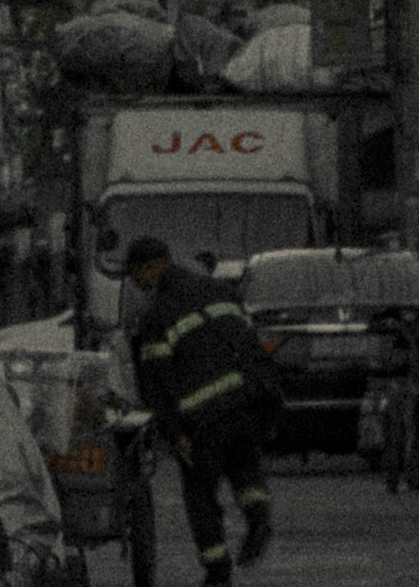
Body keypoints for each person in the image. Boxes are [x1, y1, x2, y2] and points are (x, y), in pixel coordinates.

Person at [118, 235, 280, 580]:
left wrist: (175, 433)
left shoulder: (157, 315)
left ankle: (217, 569)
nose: (136, 286)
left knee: (200, 494)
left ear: (151, 268)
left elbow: (156, 384)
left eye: (135, 277)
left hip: (202, 418)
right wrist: (265, 403)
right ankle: (258, 518)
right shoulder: (221, 291)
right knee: (245, 467)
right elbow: (252, 346)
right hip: (246, 403)